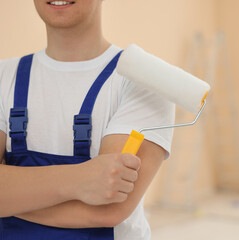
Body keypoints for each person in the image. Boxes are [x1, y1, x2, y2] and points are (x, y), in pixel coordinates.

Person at [0, 0, 174, 239]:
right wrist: (82, 178)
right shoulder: (3, 77)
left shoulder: (146, 82)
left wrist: (11, 198)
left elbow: (107, 211)